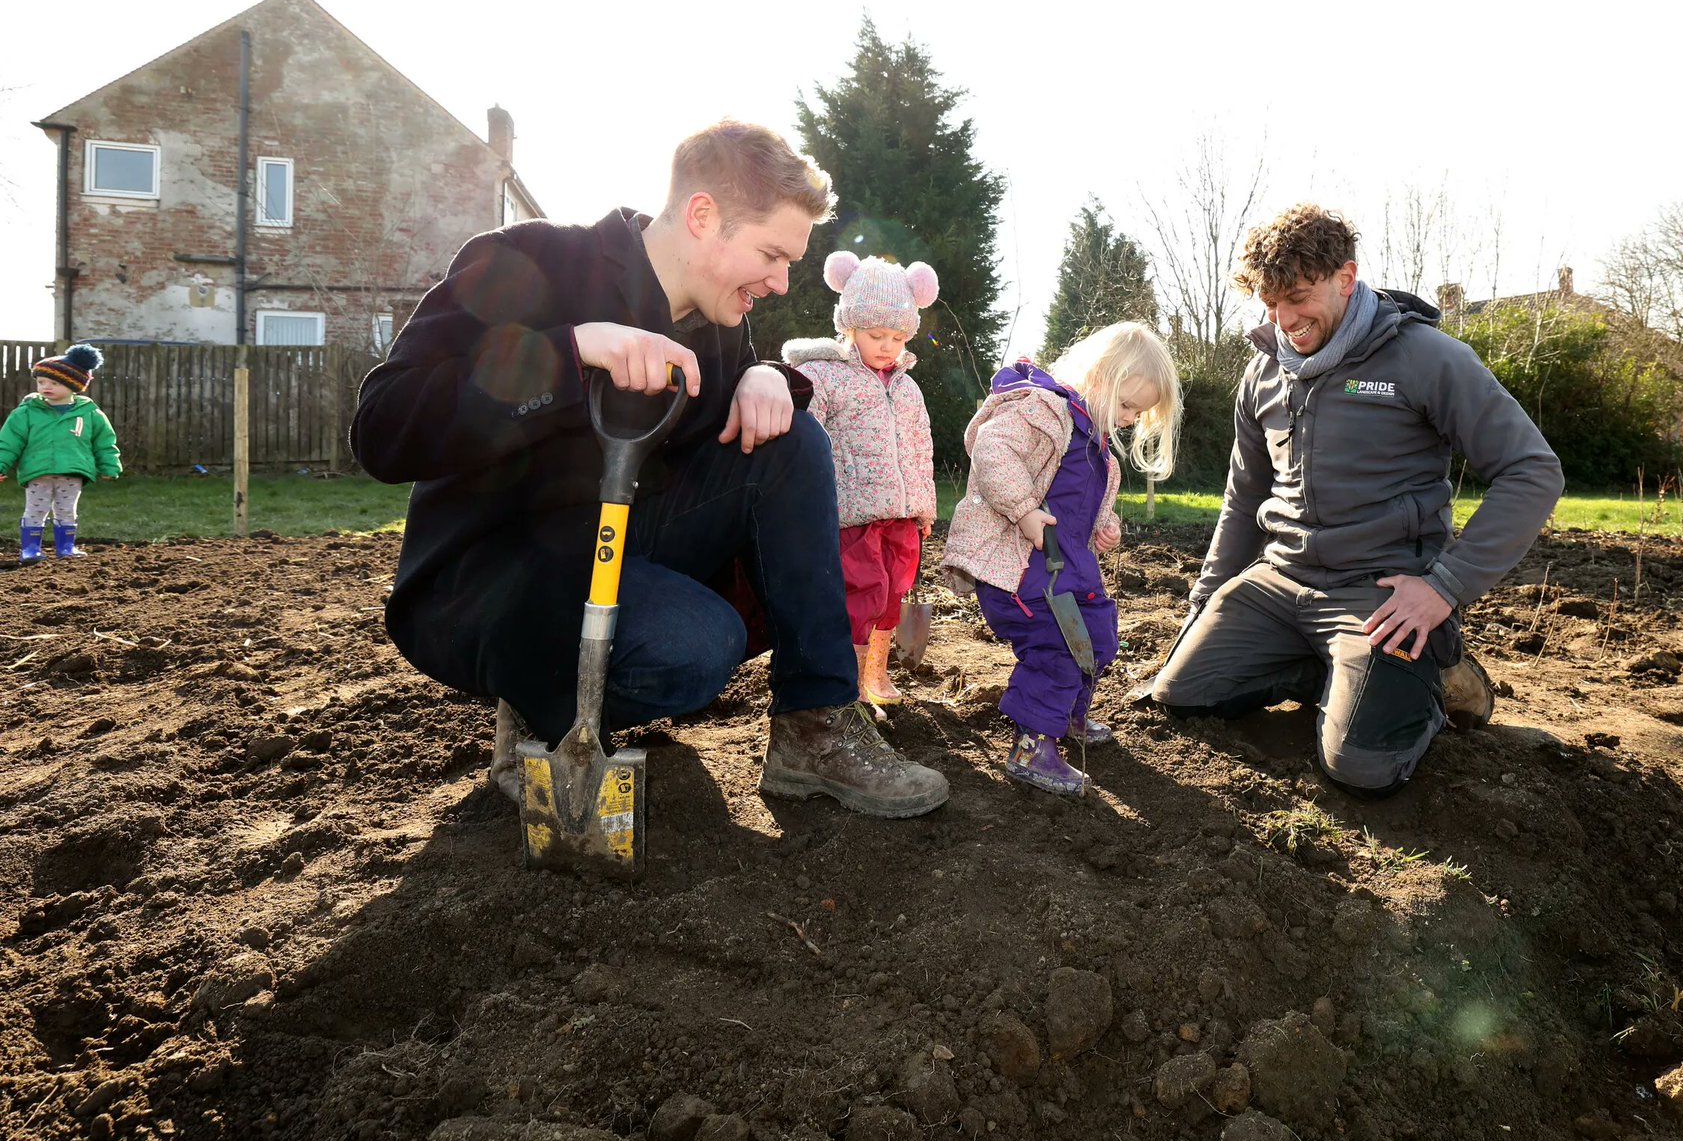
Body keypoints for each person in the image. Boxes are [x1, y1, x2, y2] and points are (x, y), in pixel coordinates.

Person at [351, 120, 949, 819]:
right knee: (692, 648)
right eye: (771, 254)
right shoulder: (532, 260)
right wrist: (570, 351)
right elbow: (383, 427)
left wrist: (763, 377)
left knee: (793, 446)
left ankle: (813, 727)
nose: (783, 282)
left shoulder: (722, 325)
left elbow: (737, 451)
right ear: (704, 217)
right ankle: (539, 709)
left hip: (620, 549)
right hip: (501, 576)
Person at [1148, 204, 1563, 796]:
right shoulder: (1263, 372)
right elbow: (1244, 497)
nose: (1284, 318)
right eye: (1270, 304)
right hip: (1280, 581)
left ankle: (1433, 673)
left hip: (1379, 591)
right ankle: (1341, 671)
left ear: (1345, 277)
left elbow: (1532, 471)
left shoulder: (1426, 357)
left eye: (1297, 296)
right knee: (1182, 695)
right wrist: (1204, 600)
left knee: (1362, 768)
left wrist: (1443, 587)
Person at [943, 323, 1181, 795]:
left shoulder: (1095, 444)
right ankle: (1032, 748)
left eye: (1139, 411)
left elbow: (1077, 501)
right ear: (1098, 378)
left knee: (1098, 636)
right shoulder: (1044, 411)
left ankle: (1066, 713)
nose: (1131, 418)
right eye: (1127, 404)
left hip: (1067, 569)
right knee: (1056, 648)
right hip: (1020, 571)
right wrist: (1023, 509)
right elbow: (992, 448)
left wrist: (1103, 526)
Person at [781, 251, 940, 715]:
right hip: (850, 512)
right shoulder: (823, 375)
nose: (887, 346)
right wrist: (808, 506)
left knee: (893, 591)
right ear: (848, 325)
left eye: (897, 336)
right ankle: (846, 684)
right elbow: (805, 438)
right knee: (860, 593)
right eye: (875, 335)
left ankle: (876, 671)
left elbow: (920, 447)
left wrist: (924, 508)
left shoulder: (908, 387)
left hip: (901, 513)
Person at [1, 344, 122, 561]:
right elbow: (8, 442)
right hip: (38, 472)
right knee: (35, 511)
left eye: (54, 383)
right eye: (41, 382)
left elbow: (104, 442)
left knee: (67, 511)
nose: (46, 387)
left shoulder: (90, 413)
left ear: (74, 385)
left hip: (72, 472)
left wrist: (109, 466)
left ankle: (66, 548)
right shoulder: (26, 412)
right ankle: (30, 550)